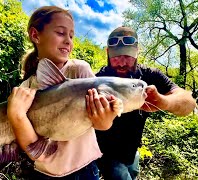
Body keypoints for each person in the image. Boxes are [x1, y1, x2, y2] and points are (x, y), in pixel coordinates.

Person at [6, 6, 118, 179]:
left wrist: (106, 119)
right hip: (43, 174)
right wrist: (17, 115)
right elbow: (36, 152)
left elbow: (101, 125)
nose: (68, 41)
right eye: (60, 33)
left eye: (71, 36)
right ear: (35, 35)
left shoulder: (79, 70)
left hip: (86, 171)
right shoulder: (25, 89)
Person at [89, 26, 196, 180]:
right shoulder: (98, 80)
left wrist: (163, 101)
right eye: (115, 57)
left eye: (128, 56)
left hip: (132, 152)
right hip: (107, 155)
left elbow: (189, 103)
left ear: (137, 51)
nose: (121, 63)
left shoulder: (149, 76)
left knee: (133, 175)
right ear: (107, 52)